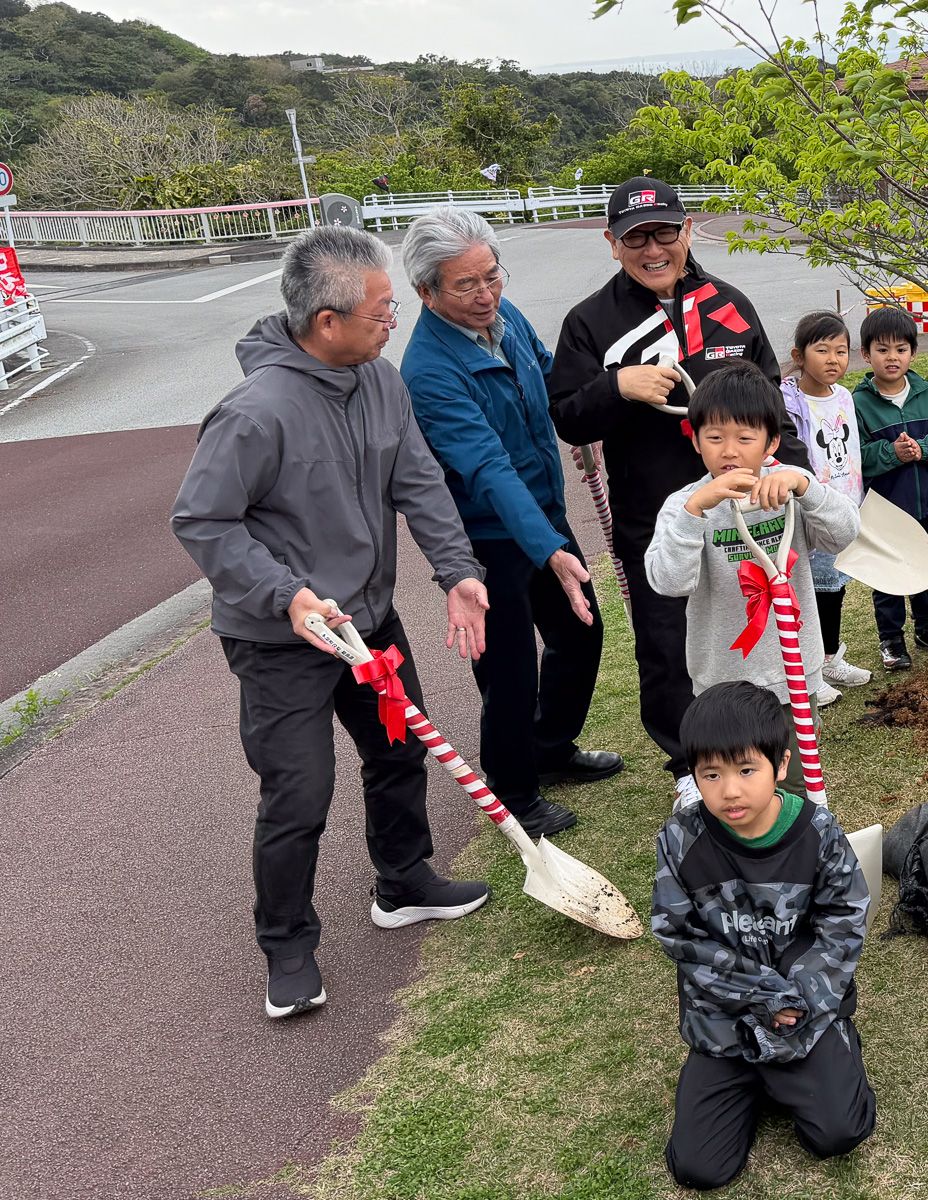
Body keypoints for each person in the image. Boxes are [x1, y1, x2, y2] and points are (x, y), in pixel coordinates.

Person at [171, 227, 494, 1019]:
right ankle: (287, 945)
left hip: (368, 621)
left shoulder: (380, 381)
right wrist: (287, 595)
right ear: (327, 321)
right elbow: (203, 521)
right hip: (282, 638)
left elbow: (418, 481)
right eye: (382, 310)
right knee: (299, 791)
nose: (394, 321)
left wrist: (457, 573)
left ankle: (403, 881)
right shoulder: (254, 413)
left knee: (399, 750)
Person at [547, 177, 813, 813]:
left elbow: (771, 402)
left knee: (752, 633)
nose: (653, 248)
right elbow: (567, 416)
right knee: (667, 642)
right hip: (657, 512)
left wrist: (796, 474)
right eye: (636, 237)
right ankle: (690, 766)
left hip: (747, 514)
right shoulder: (589, 321)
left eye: (665, 232)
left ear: (687, 231)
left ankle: (769, 755)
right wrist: (616, 388)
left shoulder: (729, 304)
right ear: (612, 243)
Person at [398, 207, 622, 841]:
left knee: (581, 633)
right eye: (465, 285)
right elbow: (487, 468)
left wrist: (587, 416)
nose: (485, 294)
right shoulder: (428, 370)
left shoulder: (506, 317)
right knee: (510, 669)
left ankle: (549, 748)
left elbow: (550, 376)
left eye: (492, 275)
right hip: (489, 537)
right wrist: (550, 550)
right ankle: (514, 793)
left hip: (543, 513)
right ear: (426, 293)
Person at [652, 681, 875, 1190]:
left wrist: (798, 999)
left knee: (838, 1133)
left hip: (804, 1012)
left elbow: (843, 924)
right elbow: (680, 936)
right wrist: (763, 996)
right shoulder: (679, 838)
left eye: (746, 770)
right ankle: (752, 1076)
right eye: (711, 774)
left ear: (780, 764)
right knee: (698, 1169)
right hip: (724, 1017)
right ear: (693, 774)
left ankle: (830, 1049)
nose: (729, 790)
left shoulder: (819, 832)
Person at [644, 363, 860, 723]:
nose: (729, 451)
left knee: (795, 760)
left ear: (771, 442)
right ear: (696, 441)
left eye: (745, 439)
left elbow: (843, 535)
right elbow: (669, 582)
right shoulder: (684, 505)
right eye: (715, 438)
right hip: (722, 681)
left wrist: (806, 488)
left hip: (795, 671)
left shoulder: (791, 486)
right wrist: (694, 512)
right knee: (736, 760)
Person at [853, 306, 928, 670]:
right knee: (888, 573)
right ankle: (891, 639)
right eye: (882, 349)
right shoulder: (858, 403)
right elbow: (856, 457)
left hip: (927, 503)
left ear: (914, 353)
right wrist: (892, 453)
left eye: (901, 349)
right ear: (866, 354)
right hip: (885, 509)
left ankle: (927, 628)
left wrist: (922, 449)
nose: (892, 357)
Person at [780, 310, 873, 700]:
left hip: (842, 507)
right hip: (808, 512)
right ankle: (808, 672)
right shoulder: (788, 401)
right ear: (798, 356)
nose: (833, 360)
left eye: (841, 351)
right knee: (809, 592)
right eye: (822, 350)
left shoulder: (845, 396)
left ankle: (829, 657)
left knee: (833, 587)